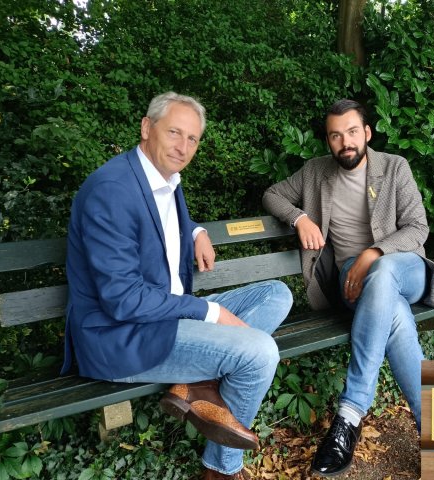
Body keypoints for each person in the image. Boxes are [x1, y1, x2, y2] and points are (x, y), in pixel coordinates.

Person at [62, 91, 293, 480]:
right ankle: (220, 469)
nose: (183, 147)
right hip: (122, 335)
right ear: (146, 127)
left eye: (192, 138)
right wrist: (210, 311)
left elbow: (159, 222)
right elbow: (122, 300)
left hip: (162, 314)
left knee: (275, 294)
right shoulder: (111, 191)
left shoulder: (163, 178)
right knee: (259, 352)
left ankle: (193, 381)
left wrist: (196, 230)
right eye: (174, 132)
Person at [262, 99, 434, 477]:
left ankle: (350, 412)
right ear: (328, 141)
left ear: (367, 133)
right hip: (354, 283)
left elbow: (417, 228)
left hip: (404, 268)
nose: (345, 141)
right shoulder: (315, 172)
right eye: (335, 135)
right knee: (392, 312)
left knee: (385, 270)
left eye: (352, 132)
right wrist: (299, 218)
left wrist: (373, 253)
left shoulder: (394, 167)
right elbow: (272, 194)